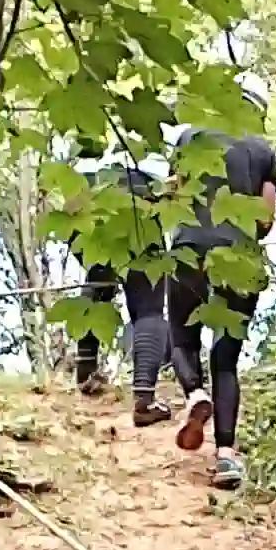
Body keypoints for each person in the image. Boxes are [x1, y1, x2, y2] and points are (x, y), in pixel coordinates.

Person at [167, 96, 276, 492]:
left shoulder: (189, 137)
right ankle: (227, 454)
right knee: (227, 356)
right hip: (240, 254)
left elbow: (175, 193)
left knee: (181, 334)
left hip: (189, 245)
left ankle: (194, 392)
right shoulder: (263, 150)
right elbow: (265, 218)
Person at [70, 155, 171, 427]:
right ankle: (144, 399)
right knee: (149, 309)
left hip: (87, 215)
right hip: (138, 219)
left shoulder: (89, 172)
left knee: (98, 284)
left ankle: (86, 371)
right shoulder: (153, 170)